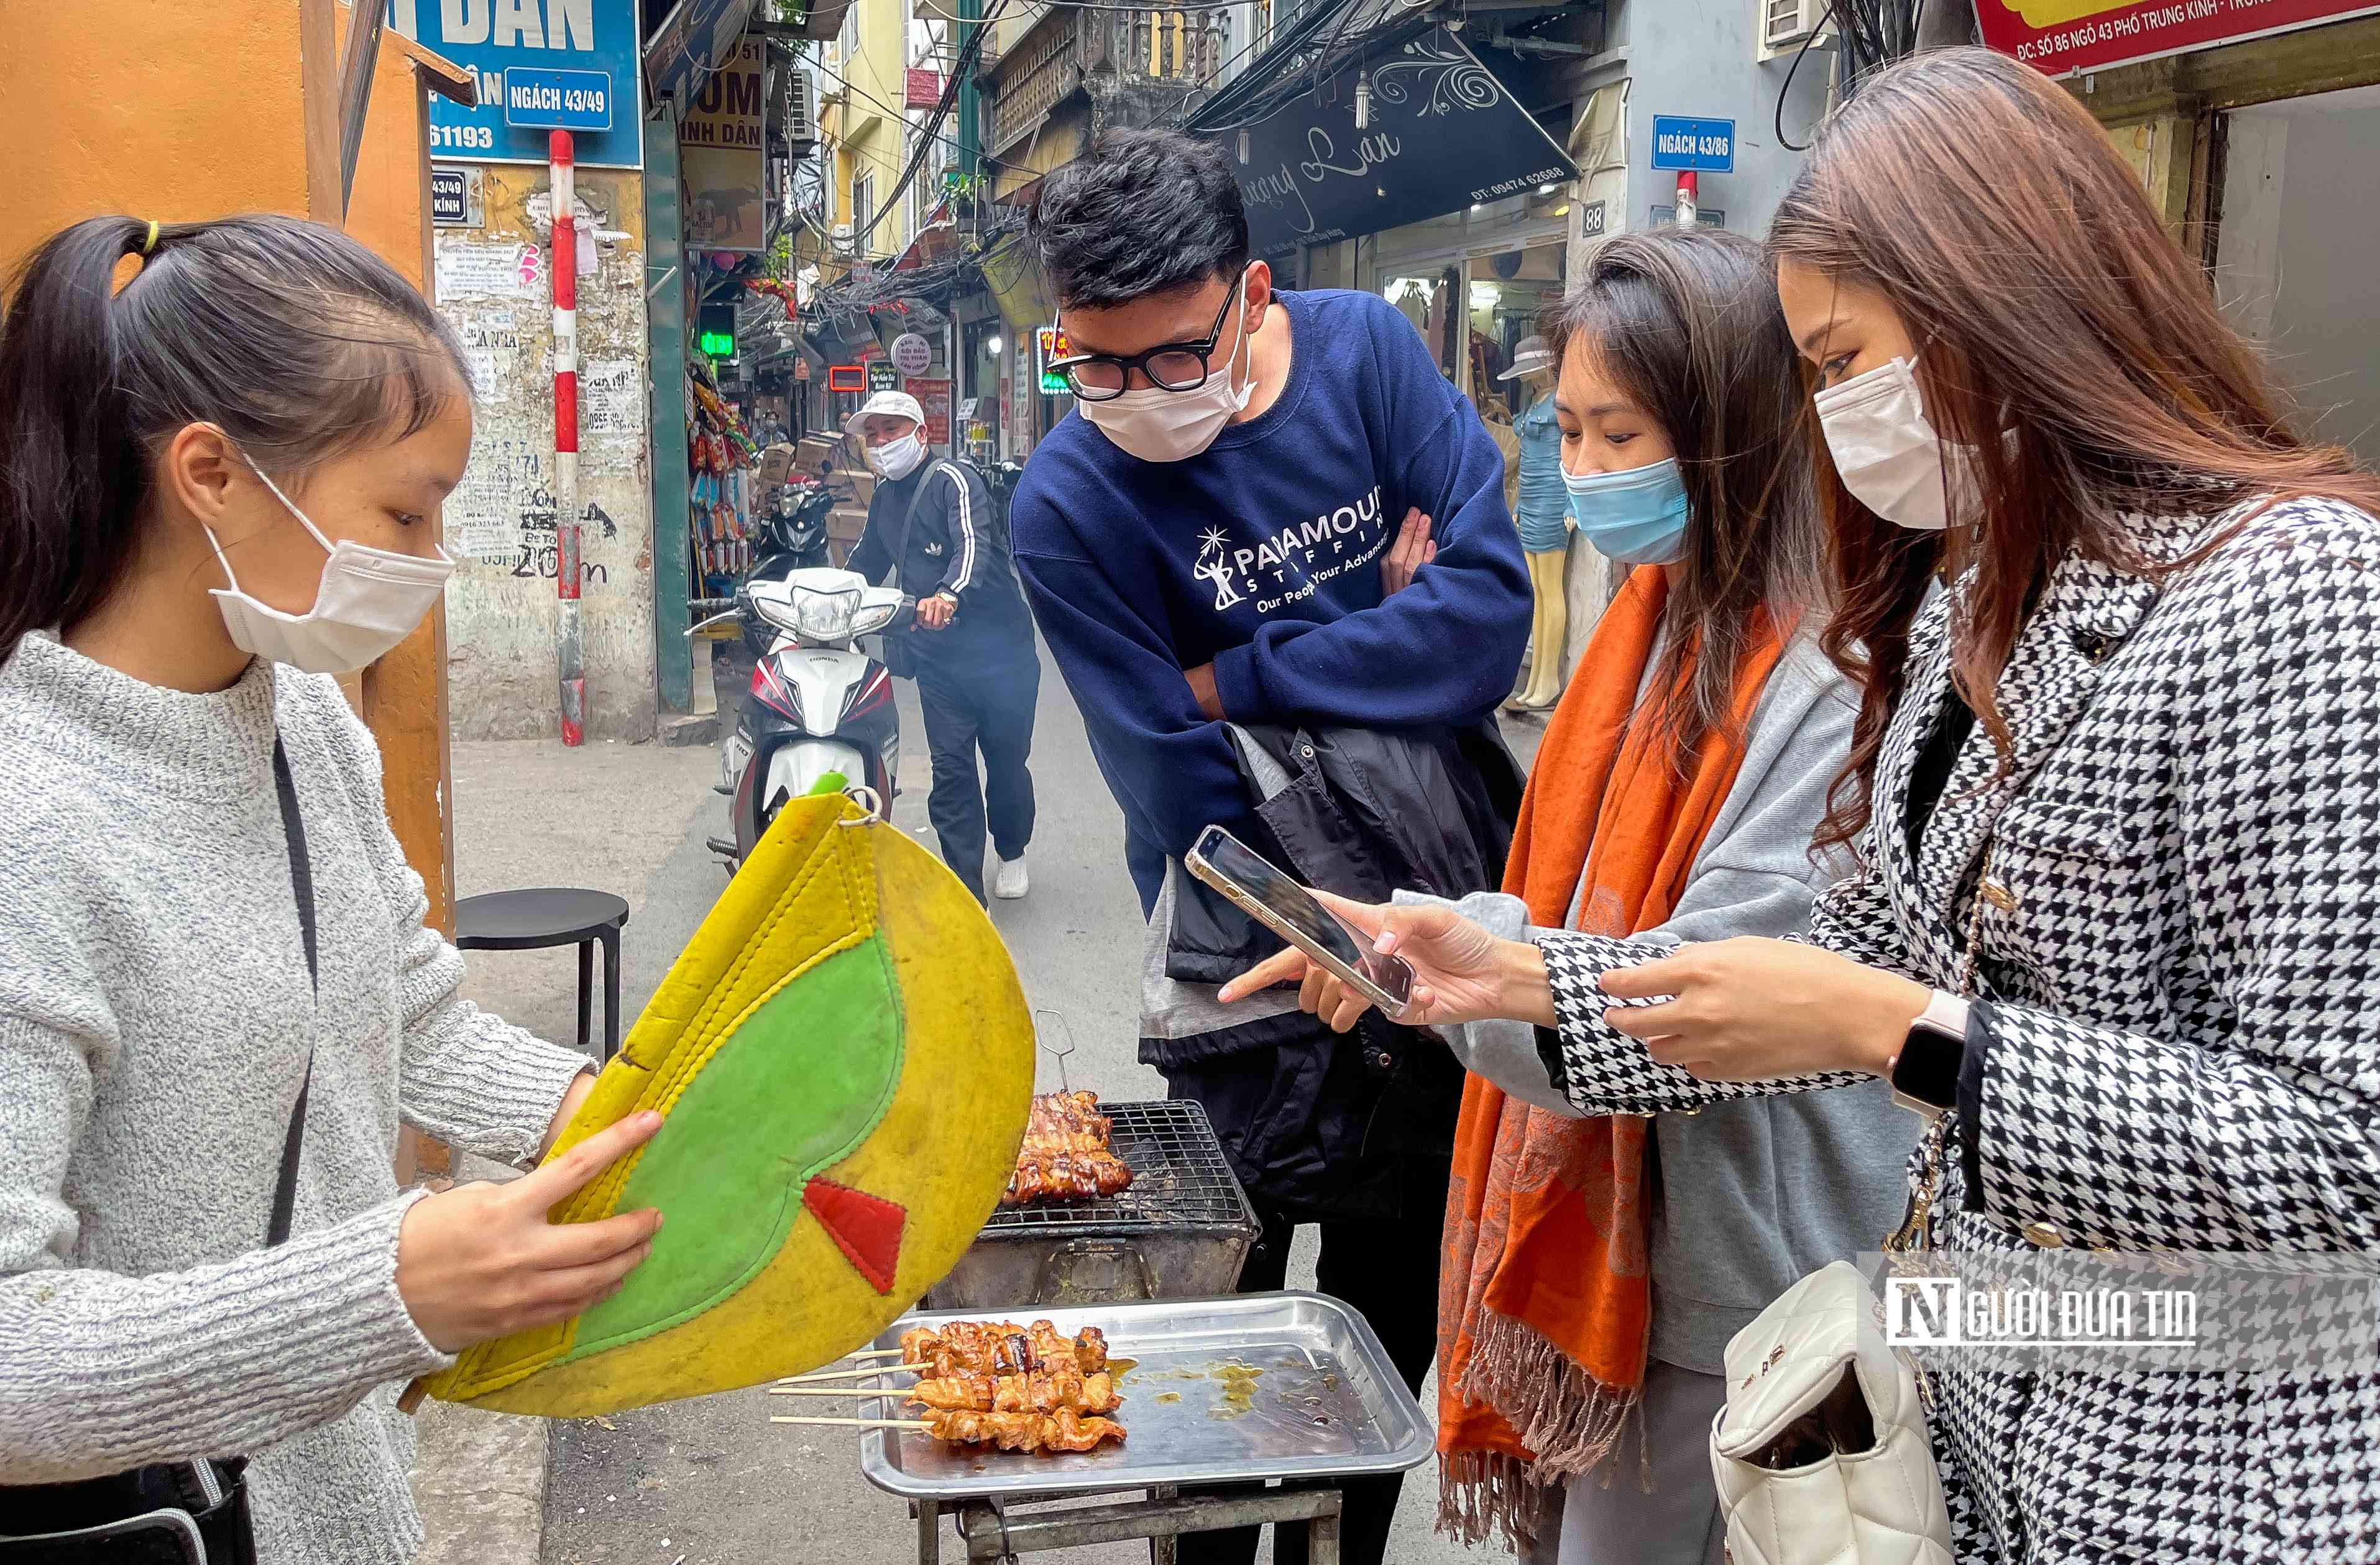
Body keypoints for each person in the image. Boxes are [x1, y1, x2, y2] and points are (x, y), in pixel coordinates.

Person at [1218, 47, 2380, 1564]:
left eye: (1843, 364)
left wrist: (1894, 1029)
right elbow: (1819, 957)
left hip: (2200, 1452)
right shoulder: (1963, 605)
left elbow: (2345, 1150)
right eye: (1816, 378)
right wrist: (1501, 970)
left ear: (1994, 306)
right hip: (1981, 1403)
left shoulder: (2296, 589)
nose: (1833, 418)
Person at [1223, 229, 1916, 1564]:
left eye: (1621, 435)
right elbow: (1578, 905)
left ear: (1734, 432)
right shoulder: (1653, 620)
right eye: (1571, 433)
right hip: (1629, 1244)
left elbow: (1707, 997)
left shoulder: (1832, 672)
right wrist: (1432, 951)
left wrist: (1477, 965)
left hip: (1742, 1274)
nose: (1588, 471)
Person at [0, 215, 662, 1563]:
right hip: (172, 1525)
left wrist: (620, 1115)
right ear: (211, 473)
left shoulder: (303, 715)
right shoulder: (31, 820)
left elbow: (410, 1014)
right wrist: (390, 1286)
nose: (429, 556)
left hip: (346, 1496)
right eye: (404, 511)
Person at [1010, 128, 1532, 1565]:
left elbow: (1486, 627)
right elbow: (1176, 780)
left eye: (1177, 356)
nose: (1137, 396)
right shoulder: (1065, 504)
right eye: (1095, 366)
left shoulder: (1366, 355)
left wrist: (1235, 671)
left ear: (1252, 295)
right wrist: (1321, 924)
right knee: (1220, 1351)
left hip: (1430, 914)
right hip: (1239, 951)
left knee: (1376, 1338)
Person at [845, 388, 1040, 904]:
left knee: (1005, 764)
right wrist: (824, 601)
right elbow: (863, 566)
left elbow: (973, 545)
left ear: (920, 434)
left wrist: (948, 595)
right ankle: (966, 893)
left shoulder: (952, 479)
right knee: (951, 772)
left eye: (890, 430)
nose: (880, 443)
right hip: (938, 662)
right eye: (872, 435)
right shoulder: (883, 499)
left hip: (1001, 657)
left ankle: (1012, 849)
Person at [1499, 333, 1574, 710]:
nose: (1525, 378)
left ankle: (1550, 679)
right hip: (1529, 503)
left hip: (1552, 502)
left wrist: (1572, 504)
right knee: (1535, 593)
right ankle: (1536, 679)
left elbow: (1572, 451)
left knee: (1550, 588)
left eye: (1529, 371)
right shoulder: (1534, 401)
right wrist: (1519, 503)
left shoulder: (1562, 400)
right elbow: (1527, 456)